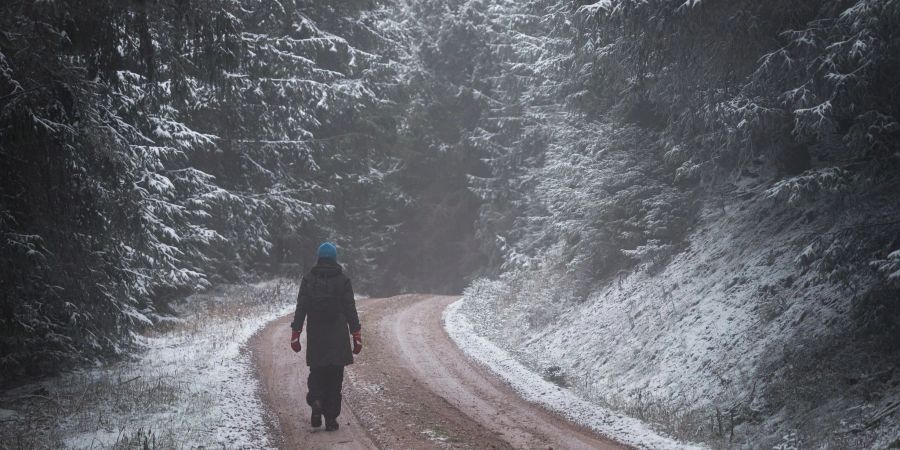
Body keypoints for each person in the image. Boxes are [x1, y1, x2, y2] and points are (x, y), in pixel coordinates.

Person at [290, 241, 362, 431]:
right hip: (338, 335)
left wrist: (295, 332)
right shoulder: (343, 280)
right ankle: (330, 419)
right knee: (335, 376)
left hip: (316, 334)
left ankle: (316, 400)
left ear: (319, 258)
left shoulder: (308, 279)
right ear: (335, 258)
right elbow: (350, 309)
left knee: (317, 371)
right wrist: (356, 333)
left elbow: (301, 308)